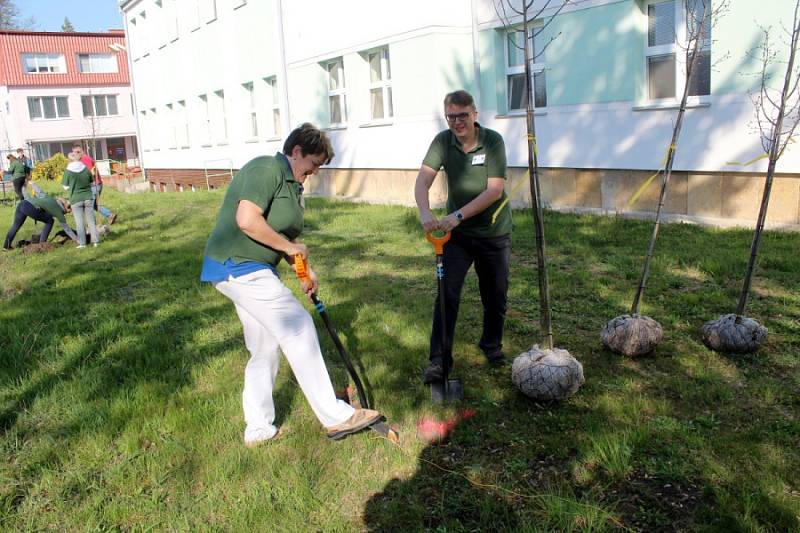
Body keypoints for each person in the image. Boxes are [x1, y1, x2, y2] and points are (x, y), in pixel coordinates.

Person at [200, 123, 382, 447]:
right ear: (296, 152)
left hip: (247, 270)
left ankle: (258, 428)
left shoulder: (293, 186)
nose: (313, 171)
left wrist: (305, 271)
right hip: (238, 265)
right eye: (313, 163)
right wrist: (289, 248)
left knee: (265, 346)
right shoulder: (266, 169)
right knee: (297, 327)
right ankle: (336, 417)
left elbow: (285, 238)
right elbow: (247, 220)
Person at [414, 89, 513, 384]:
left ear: (474, 115)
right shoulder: (443, 142)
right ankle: (439, 361)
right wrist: (424, 211)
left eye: (462, 115)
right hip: (455, 238)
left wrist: (456, 215)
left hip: (493, 232)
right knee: (446, 295)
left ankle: (491, 346)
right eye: (451, 116)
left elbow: (494, 189)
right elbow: (423, 180)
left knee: (495, 296)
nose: (457, 122)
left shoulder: (492, 141)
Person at [3, 184, 79, 250]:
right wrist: (77, 239)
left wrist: (32, 183)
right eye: (67, 212)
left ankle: (6, 247)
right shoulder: (59, 211)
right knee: (50, 221)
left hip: (22, 204)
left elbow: (39, 191)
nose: (65, 214)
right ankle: (42, 244)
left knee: (15, 226)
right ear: (65, 208)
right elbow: (67, 229)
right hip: (30, 207)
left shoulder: (50, 198)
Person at [72, 143, 117, 225]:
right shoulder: (83, 159)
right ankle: (110, 215)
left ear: (79, 152)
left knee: (89, 207)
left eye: (74, 153)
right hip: (96, 185)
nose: (74, 155)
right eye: (73, 153)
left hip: (94, 185)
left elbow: (91, 173)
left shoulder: (85, 159)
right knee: (95, 205)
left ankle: (93, 227)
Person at [62, 152, 98, 248]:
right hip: (88, 197)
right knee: (91, 221)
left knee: (79, 222)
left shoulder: (68, 171)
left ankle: (82, 243)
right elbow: (92, 182)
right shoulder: (85, 169)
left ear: (70, 160)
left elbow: (65, 186)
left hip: (75, 198)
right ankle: (95, 242)